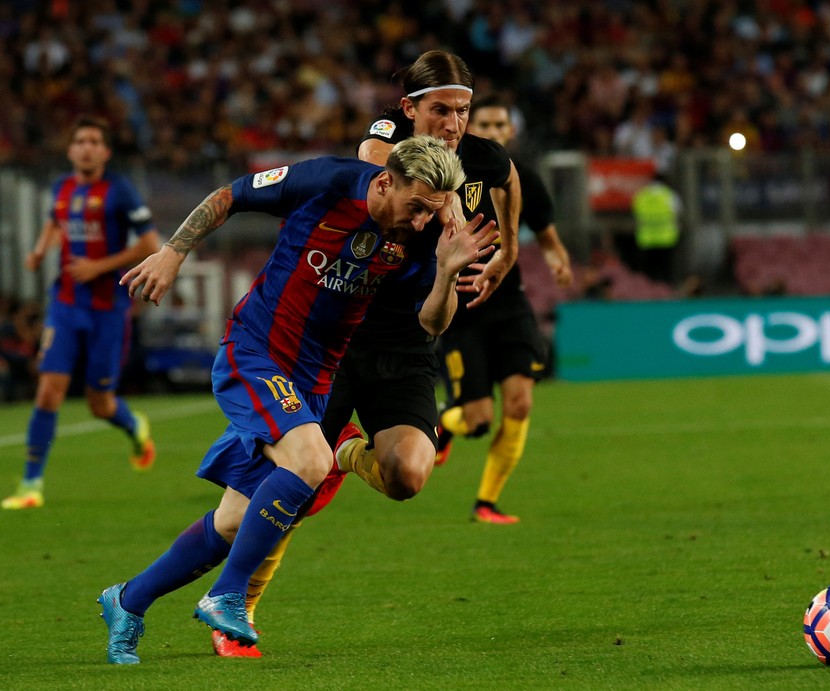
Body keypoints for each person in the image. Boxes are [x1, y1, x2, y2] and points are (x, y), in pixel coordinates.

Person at [98, 134, 496, 664]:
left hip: (315, 380)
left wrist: (447, 273)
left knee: (235, 520)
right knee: (312, 459)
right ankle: (228, 595)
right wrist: (173, 251)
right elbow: (231, 194)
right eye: (416, 206)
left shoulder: (422, 236)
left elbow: (430, 324)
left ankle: (127, 600)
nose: (421, 221)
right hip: (257, 352)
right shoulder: (327, 182)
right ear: (384, 182)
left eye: (431, 211)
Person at [210, 49, 524, 658]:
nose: (455, 123)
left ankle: (350, 452)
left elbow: (509, 182)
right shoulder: (388, 146)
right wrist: (448, 205)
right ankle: (239, 613)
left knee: (407, 477)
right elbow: (373, 175)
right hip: (339, 337)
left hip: (407, 342)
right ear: (411, 108)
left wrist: (508, 251)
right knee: (288, 491)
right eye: (442, 110)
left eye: (464, 111)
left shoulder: (484, 156)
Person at [0, 115, 161, 511]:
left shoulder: (120, 191)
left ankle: (133, 425)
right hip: (66, 305)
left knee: (99, 403)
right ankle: (31, 484)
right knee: (48, 389)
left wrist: (99, 266)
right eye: (80, 141)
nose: (86, 147)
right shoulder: (62, 187)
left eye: (94, 141)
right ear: (71, 150)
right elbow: (57, 222)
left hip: (108, 310)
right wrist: (40, 250)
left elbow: (150, 243)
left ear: (105, 151)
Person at [436, 94, 573, 524]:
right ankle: (444, 423)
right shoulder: (444, 173)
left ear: (511, 131)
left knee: (520, 404)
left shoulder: (523, 179)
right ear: (467, 127)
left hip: (509, 301)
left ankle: (486, 503)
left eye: (501, 125)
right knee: (477, 419)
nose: (494, 132)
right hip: (460, 307)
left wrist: (556, 258)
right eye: (486, 125)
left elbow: (546, 233)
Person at [628, 169, 682, 284]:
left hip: (647, 238)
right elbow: (678, 211)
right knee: (666, 270)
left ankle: (648, 293)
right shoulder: (669, 194)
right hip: (666, 237)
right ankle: (667, 293)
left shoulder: (641, 195)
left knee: (649, 271)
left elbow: (634, 212)